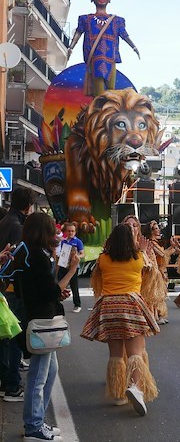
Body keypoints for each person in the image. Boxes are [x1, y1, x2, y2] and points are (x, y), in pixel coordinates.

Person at [81, 224, 159, 416]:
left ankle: (118, 394)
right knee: (135, 353)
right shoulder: (139, 258)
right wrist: (141, 249)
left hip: (108, 306)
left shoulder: (103, 260)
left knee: (115, 355)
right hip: (130, 304)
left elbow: (97, 277)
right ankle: (136, 388)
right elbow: (151, 274)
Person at [16, 212, 80, 441]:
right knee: (38, 375)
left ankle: (37, 421)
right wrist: (72, 270)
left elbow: (46, 289)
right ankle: (33, 426)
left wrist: (56, 288)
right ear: (44, 231)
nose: (58, 233)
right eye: (53, 229)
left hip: (39, 316)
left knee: (49, 371)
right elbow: (49, 291)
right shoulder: (38, 257)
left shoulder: (34, 254)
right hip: (41, 320)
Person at [67, 0, 140, 97]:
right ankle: (100, 109)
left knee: (110, 88)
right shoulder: (86, 19)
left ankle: (106, 108)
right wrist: (70, 48)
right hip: (94, 59)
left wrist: (134, 47)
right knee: (99, 89)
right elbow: (78, 33)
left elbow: (125, 35)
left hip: (111, 59)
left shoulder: (117, 21)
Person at [0, 186, 35, 403]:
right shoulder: (16, 225)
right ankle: (11, 384)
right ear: (28, 205)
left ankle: (7, 379)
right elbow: (19, 259)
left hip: (4, 286)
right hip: (11, 287)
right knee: (12, 335)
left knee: (6, 337)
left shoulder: (5, 221)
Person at [141, 220, 172, 325]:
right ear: (151, 231)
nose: (158, 230)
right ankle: (155, 316)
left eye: (158, 228)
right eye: (155, 228)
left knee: (159, 294)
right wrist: (173, 248)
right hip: (154, 271)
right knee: (154, 295)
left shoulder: (154, 242)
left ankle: (158, 315)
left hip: (160, 270)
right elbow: (163, 255)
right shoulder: (151, 243)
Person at [56, 222, 84, 313]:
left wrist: (77, 257)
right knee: (59, 284)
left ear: (75, 232)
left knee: (74, 285)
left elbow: (82, 253)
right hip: (63, 265)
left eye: (72, 231)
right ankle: (57, 300)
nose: (70, 233)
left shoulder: (78, 242)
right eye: (69, 231)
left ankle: (77, 304)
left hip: (73, 266)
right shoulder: (63, 241)